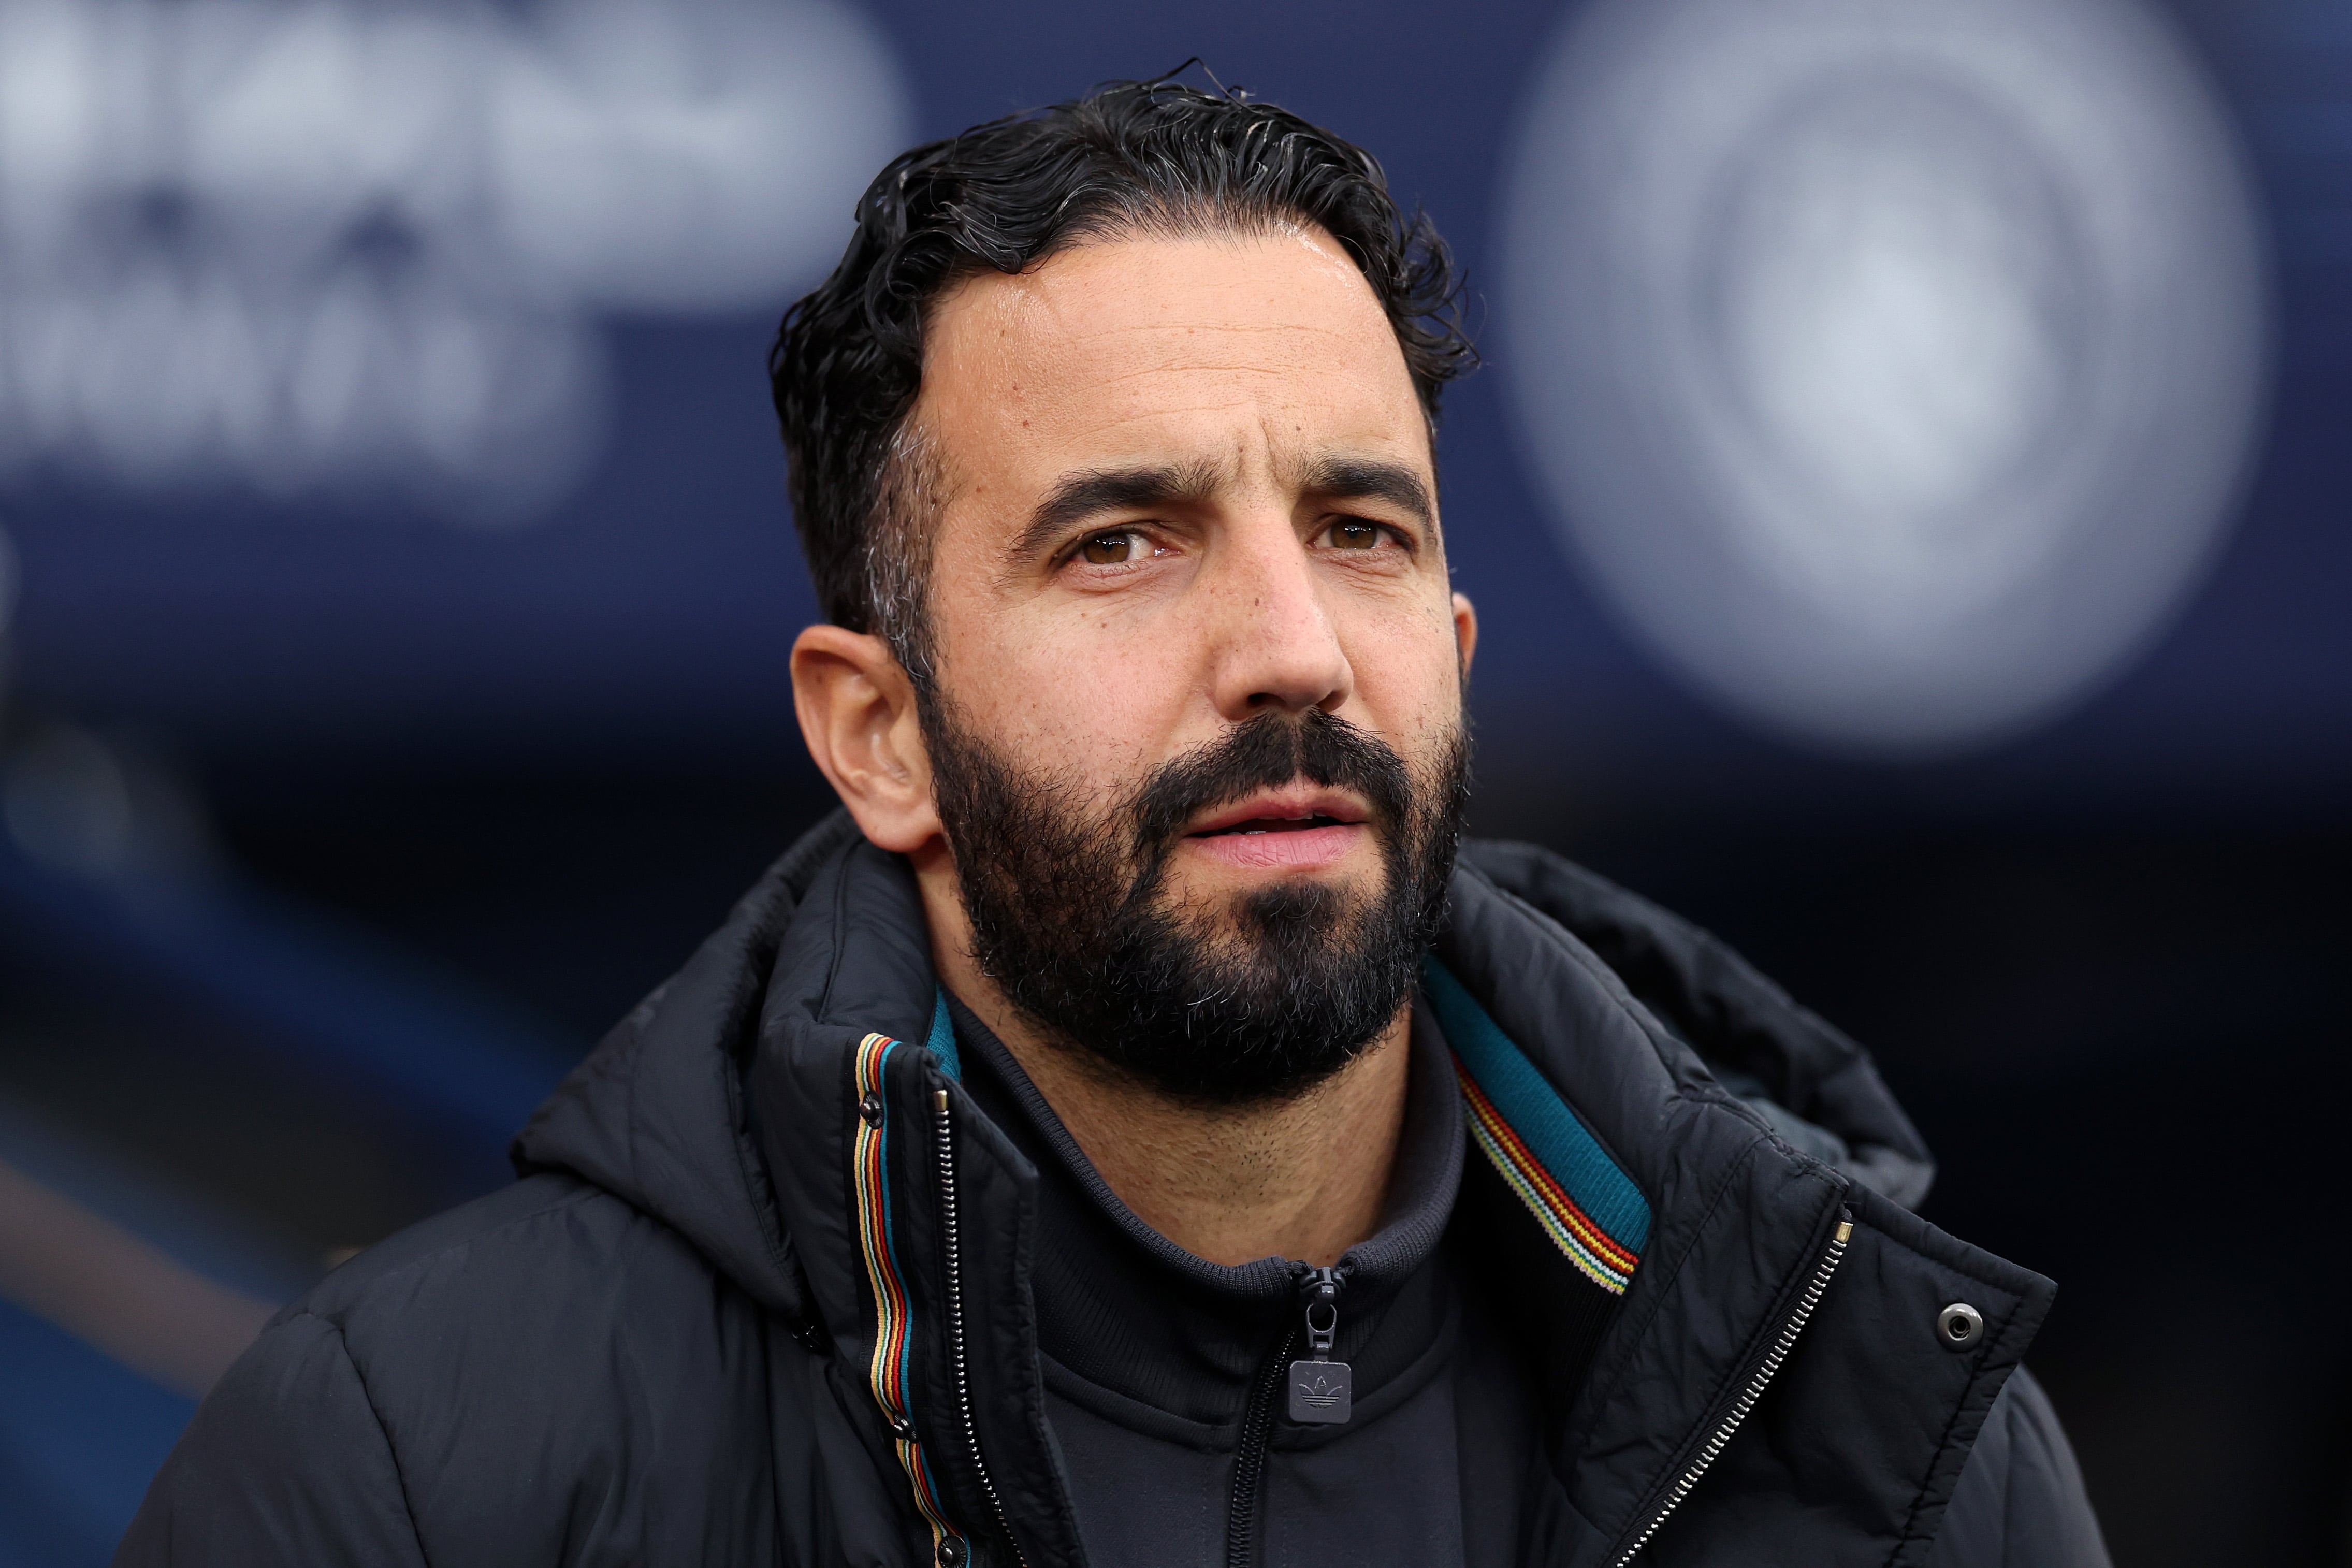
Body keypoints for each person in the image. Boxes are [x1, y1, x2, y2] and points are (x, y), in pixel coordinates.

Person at [118, 78, 2108, 1567]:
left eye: (1362, 531)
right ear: (875, 732)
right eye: (1124, 543)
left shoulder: (1885, 1432)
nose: (1293, 650)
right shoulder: (431, 1468)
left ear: (1460, 645)